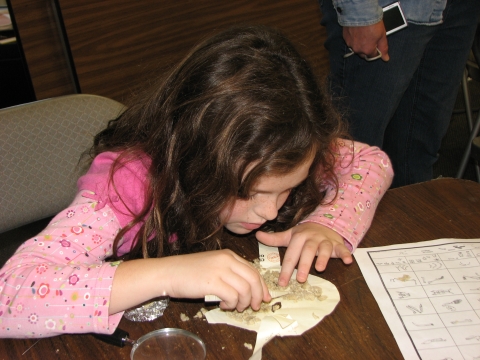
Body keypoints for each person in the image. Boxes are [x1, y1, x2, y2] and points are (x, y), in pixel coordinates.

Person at [0, 25, 393, 338]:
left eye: (287, 188)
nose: (271, 210)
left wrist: (326, 224)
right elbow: (10, 297)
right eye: (250, 192)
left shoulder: (289, 140)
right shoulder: (128, 184)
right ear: (195, 160)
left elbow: (371, 162)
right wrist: (173, 273)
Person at [319, 0, 480, 188]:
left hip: (461, 8)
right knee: (351, 163)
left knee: (418, 154)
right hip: (386, 9)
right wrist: (359, 11)